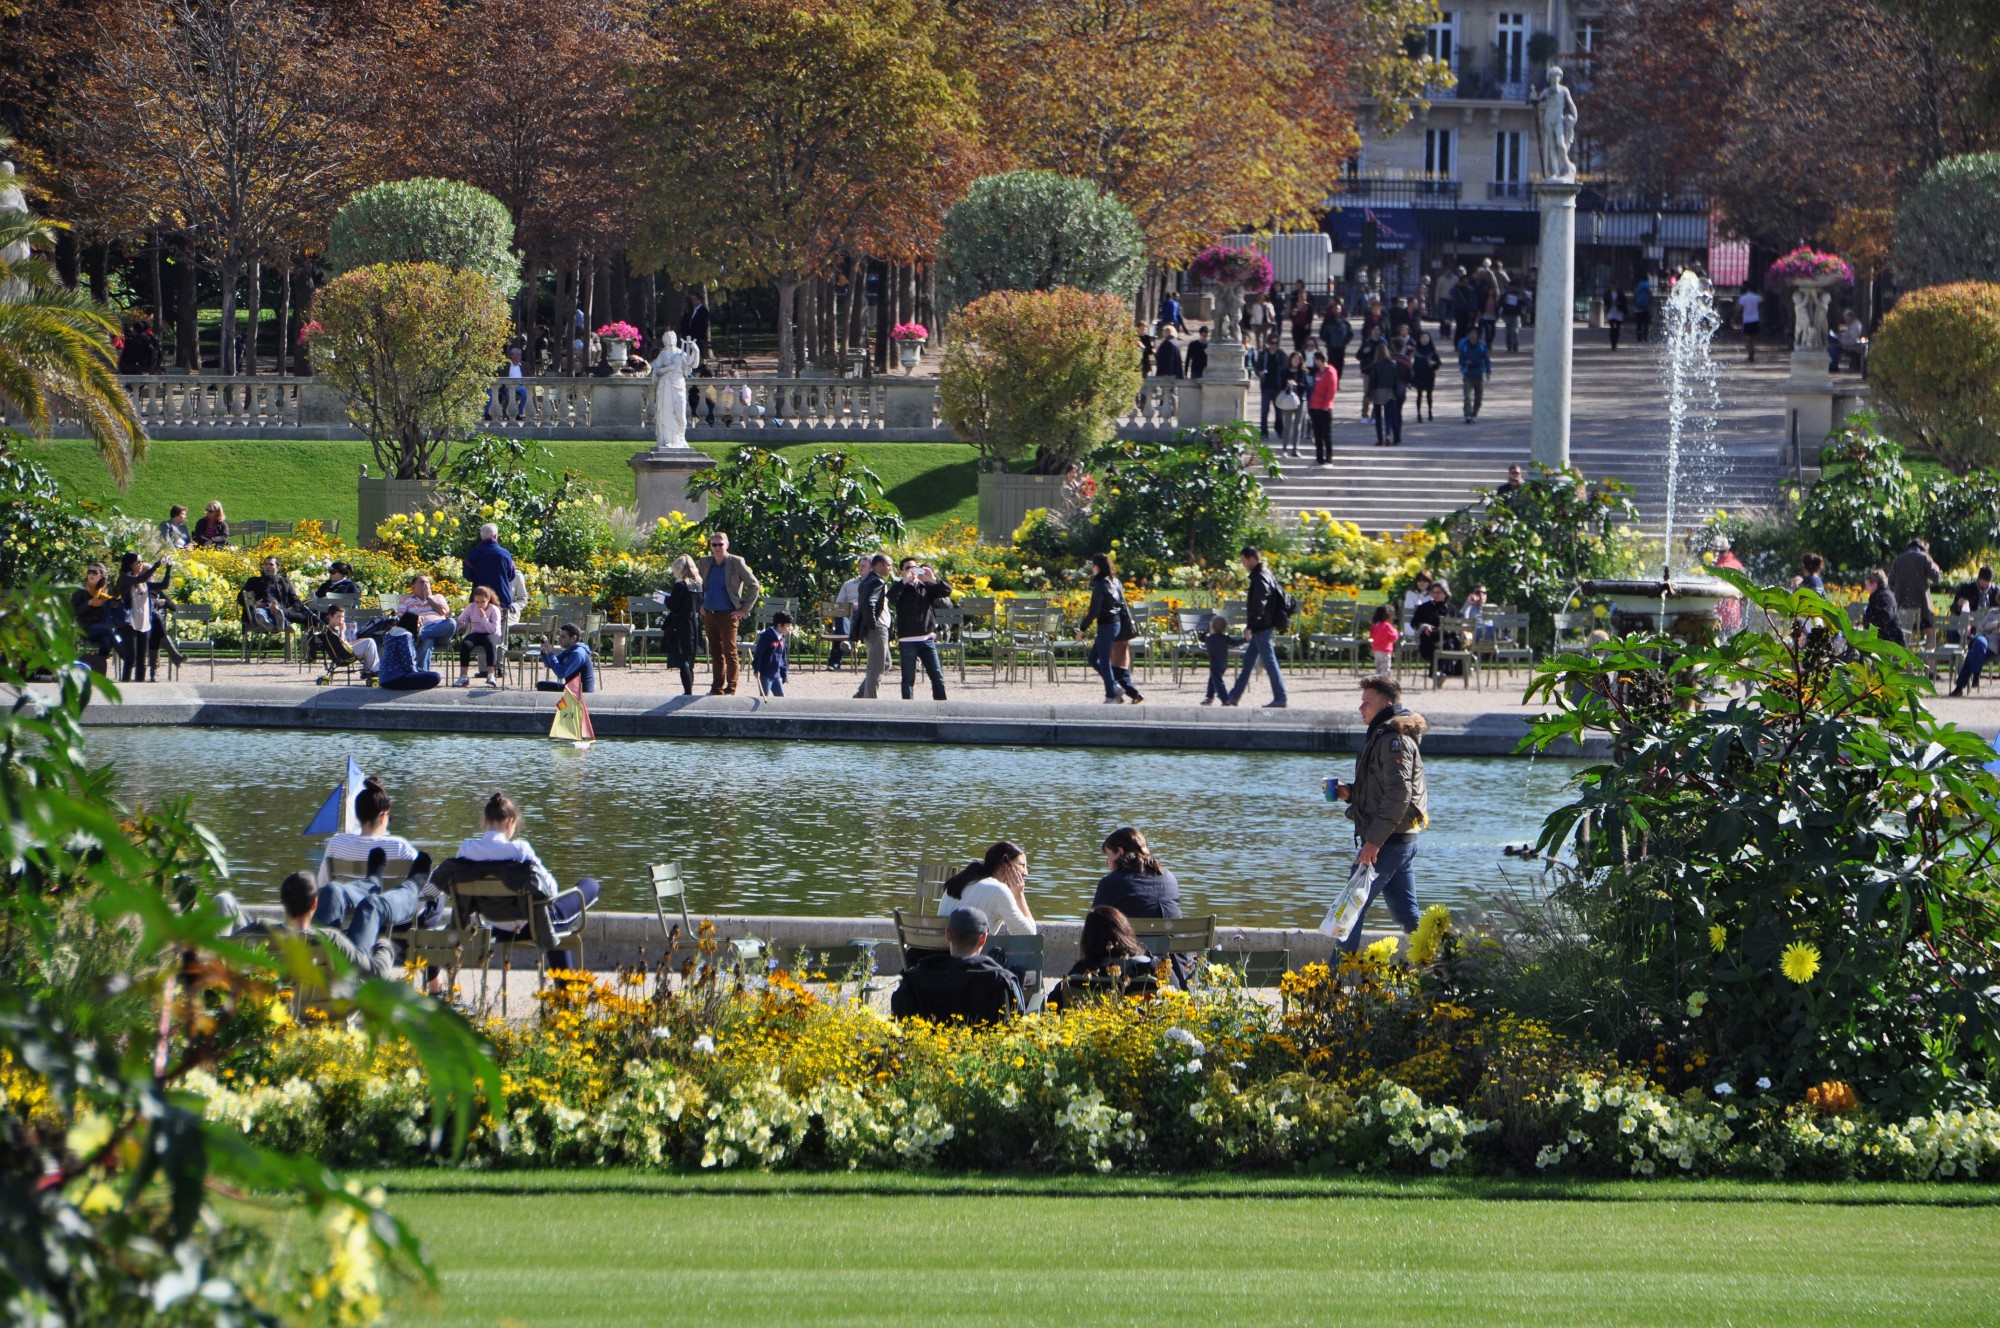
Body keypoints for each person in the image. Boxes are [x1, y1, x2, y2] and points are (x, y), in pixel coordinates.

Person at [439, 792, 600, 972]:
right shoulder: (519, 850)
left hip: (494, 924)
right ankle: (565, 991)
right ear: (510, 822)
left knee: (554, 920)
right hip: (530, 924)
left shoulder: (466, 849)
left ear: (485, 823)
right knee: (589, 885)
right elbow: (551, 890)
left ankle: (565, 990)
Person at [1329, 677, 1428, 952]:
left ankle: (1332, 985)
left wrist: (1372, 842)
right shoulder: (1383, 735)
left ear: (1385, 704)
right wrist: (1350, 792)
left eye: (1367, 703)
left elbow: (1399, 795)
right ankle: (1446, 967)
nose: (1361, 708)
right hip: (1398, 840)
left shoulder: (1393, 739)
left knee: (1349, 912)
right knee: (1408, 917)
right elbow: (1383, 789)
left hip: (1387, 842)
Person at [888, 905, 1023, 1025]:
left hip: (928, 1049)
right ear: (983, 939)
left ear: (948, 935)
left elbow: (898, 1009)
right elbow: (1019, 1012)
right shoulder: (1000, 979)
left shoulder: (916, 977)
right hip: (983, 1050)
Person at [268, 870, 399, 981]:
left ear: (283, 903)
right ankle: (382, 882)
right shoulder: (331, 939)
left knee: (335, 893)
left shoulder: (261, 931)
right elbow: (377, 973)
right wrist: (384, 945)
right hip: (332, 1002)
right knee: (371, 907)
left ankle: (374, 880)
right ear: (315, 904)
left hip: (284, 1002)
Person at [1047, 906, 1158, 1011]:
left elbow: (1054, 1002)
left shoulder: (1079, 975)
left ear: (1089, 940)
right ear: (1125, 933)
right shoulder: (1151, 969)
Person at [1222, 545, 1288, 709]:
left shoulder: (1260, 577)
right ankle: (1234, 696)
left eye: (1244, 560)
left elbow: (1259, 604)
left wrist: (1251, 625)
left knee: (1269, 661)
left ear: (1252, 559)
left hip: (1261, 626)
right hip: (1263, 624)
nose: (1243, 564)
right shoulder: (1264, 574)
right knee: (1249, 660)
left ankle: (1280, 697)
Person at [700, 531, 761, 696]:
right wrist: (700, 604)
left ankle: (731, 687)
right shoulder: (705, 562)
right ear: (710, 546)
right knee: (715, 652)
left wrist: (744, 609)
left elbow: (754, 585)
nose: (718, 548)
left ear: (727, 545)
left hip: (729, 614)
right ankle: (716, 687)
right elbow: (698, 585)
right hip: (710, 613)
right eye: (715, 545)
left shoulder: (736, 562)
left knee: (730, 651)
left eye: (721, 544)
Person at [1079, 553, 1143, 704]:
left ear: (1097, 567)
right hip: (1116, 624)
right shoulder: (1116, 582)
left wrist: (1082, 629)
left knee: (1104, 661)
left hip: (1106, 625)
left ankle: (1111, 694)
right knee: (1093, 658)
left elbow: (1094, 610)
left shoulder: (1100, 584)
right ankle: (1114, 686)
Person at [938, 841, 1037, 936]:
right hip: (971, 953)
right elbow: (1030, 935)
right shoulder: (998, 890)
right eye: (1022, 865)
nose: (1026, 873)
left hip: (939, 951)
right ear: (1004, 864)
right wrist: (1019, 895)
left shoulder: (957, 882)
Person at [888, 559, 952, 701]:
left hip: (926, 639)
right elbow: (891, 597)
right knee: (908, 678)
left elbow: (947, 591)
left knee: (937, 676)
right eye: (908, 568)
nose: (912, 570)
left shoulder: (926, 587)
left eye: (915, 568)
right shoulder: (900, 587)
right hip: (907, 640)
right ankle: (908, 708)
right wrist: (904, 581)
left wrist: (933, 578)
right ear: (901, 571)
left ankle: (940, 706)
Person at [114, 549, 180, 682]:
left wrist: (168, 567)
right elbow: (139, 578)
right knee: (131, 659)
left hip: (143, 622)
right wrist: (157, 564)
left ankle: (139, 686)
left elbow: (164, 585)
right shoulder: (124, 578)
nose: (141, 564)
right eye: (139, 562)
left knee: (141, 660)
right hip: (128, 623)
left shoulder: (144, 583)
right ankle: (125, 686)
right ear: (131, 564)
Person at [850, 553, 892, 699]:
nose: (890, 569)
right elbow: (869, 603)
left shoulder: (867, 580)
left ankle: (862, 693)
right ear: (879, 565)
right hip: (878, 628)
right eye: (888, 565)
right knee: (876, 667)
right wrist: (872, 625)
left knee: (885, 663)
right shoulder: (877, 581)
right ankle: (870, 701)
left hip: (877, 627)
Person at [662, 554, 704, 695]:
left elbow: (674, 605)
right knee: (690, 661)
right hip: (695, 623)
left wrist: (664, 599)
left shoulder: (681, 585)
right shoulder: (698, 585)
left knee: (683, 661)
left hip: (681, 624)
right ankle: (689, 690)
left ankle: (688, 692)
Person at [396, 574, 456, 671]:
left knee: (452, 623)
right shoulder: (406, 599)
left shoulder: (437, 597)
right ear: (413, 587)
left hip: (440, 633)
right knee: (428, 640)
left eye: (427, 582)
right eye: (421, 582)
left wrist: (429, 599)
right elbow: (401, 619)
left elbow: (444, 611)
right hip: (419, 629)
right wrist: (416, 621)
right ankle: (421, 673)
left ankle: (419, 636)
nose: (425, 584)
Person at [71, 563, 126, 669]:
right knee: (108, 631)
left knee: (106, 641)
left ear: (101, 576)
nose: (91, 575)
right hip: (85, 626)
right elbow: (72, 612)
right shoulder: (80, 591)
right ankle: (125, 656)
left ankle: (98, 667)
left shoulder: (106, 593)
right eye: (89, 572)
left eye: (95, 572)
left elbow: (112, 610)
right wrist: (89, 603)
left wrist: (113, 604)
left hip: (101, 626)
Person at [462, 524, 518, 623]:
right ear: (496, 536)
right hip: (501, 600)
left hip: (479, 601)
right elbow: (511, 576)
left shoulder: (474, 554)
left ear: (481, 537)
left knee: (477, 631)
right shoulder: (505, 554)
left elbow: (467, 575)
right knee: (499, 632)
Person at [243, 556, 309, 634]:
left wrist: (280, 609)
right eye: (266, 564)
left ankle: (273, 622)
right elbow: (240, 598)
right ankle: (276, 623)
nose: (267, 567)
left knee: (279, 613)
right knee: (259, 613)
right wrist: (253, 604)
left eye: (271, 564)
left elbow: (295, 601)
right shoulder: (253, 581)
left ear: (278, 567)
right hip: (259, 609)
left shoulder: (285, 583)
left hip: (278, 611)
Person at [375, 613, 440, 691]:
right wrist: (417, 674)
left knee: (423, 672)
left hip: (384, 678)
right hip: (396, 678)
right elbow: (407, 662)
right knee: (435, 676)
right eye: (418, 623)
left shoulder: (391, 633)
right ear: (411, 623)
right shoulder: (405, 636)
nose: (421, 625)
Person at [454, 585, 504, 687]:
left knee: (490, 643)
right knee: (466, 644)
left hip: (492, 634)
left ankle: (490, 674)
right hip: (476, 633)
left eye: (482, 602)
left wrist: (483, 618)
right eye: (477, 602)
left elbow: (493, 630)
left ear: (488, 600)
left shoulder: (494, 609)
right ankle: (463, 676)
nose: (479, 604)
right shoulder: (471, 607)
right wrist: (461, 621)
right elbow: (462, 618)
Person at [1889, 538, 1942, 633]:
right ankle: (1930, 647)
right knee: (1929, 629)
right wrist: (1936, 569)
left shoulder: (1898, 560)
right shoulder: (1924, 558)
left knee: (1907, 634)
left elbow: (1890, 582)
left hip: (1902, 604)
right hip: (1922, 605)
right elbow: (1937, 579)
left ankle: (1908, 646)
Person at [1409, 580, 1458, 682]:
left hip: (1446, 638)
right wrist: (1423, 626)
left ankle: (1439, 672)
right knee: (1435, 648)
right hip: (1429, 639)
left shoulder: (1452, 609)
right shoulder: (1424, 607)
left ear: (1445, 593)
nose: (1435, 595)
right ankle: (1439, 674)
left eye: (1439, 592)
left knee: (1449, 645)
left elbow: (1458, 625)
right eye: (1434, 592)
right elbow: (1414, 623)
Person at [828, 555, 869, 671]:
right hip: (848, 616)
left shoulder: (875, 584)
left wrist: (861, 606)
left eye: (864, 566)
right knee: (840, 615)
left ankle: (835, 661)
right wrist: (850, 606)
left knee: (839, 631)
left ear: (871, 568)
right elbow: (839, 603)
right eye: (860, 565)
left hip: (866, 616)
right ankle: (845, 640)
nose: (861, 568)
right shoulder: (849, 584)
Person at [315, 605, 376, 682]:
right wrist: (342, 631)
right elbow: (342, 645)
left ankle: (369, 670)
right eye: (338, 617)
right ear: (330, 616)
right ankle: (373, 671)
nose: (341, 619)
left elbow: (345, 643)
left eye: (343, 617)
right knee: (370, 642)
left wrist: (357, 641)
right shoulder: (330, 632)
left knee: (368, 641)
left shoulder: (333, 629)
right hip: (344, 656)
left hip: (346, 650)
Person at [1364, 338, 1406, 447]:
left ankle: (1380, 439)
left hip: (1378, 392)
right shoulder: (1393, 364)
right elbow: (1396, 379)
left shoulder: (1375, 365)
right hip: (1390, 392)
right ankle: (1388, 434)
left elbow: (1372, 382)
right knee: (1389, 416)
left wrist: (1368, 396)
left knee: (1378, 417)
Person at [536, 622, 597, 693]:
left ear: (573, 638)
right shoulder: (569, 651)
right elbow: (550, 664)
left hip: (581, 694)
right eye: (559, 636)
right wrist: (544, 652)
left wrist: (550, 653)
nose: (559, 639)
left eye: (563, 637)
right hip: (571, 689)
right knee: (541, 685)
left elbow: (561, 673)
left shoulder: (577, 653)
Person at [1200, 614, 1242, 706]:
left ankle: (1225, 699)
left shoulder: (1209, 639)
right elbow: (1235, 643)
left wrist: (1204, 631)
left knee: (1218, 683)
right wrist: (1244, 639)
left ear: (1212, 628)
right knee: (1213, 680)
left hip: (1214, 664)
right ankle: (1209, 697)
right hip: (1223, 663)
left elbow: (1202, 638)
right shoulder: (1225, 638)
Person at [1307, 352, 1338, 465]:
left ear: (1320, 360)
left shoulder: (1330, 372)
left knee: (1326, 434)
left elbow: (1332, 389)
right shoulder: (1318, 373)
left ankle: (1329, 456)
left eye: (1316, 360)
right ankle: (1319, 456)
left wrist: (1326, 403)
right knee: (1317, 434)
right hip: (1315, 406)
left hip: (1325, 407)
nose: (1315, 362)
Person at [1254, 334, 1288, 438]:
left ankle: (1279, 431)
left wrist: (1284, 385)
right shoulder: (1263, 354)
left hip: (1278, 387)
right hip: (1266, 386)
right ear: (1268, 343)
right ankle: (1264, 432)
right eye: (1272, 343)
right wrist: (1259, 373)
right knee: (1264, 411)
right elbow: (1257, 367)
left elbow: (1285, 370)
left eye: (1276, 343)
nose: (1274, 345)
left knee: (1279, 412)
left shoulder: (1281, 354)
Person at [1275, 350, 1308, 457]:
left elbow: (1306, 386)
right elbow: (1279, 386)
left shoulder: (1303, 372)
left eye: (1298, 359)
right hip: (1288, 401)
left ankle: (1295, 449)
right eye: (1295, 358)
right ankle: (1284, 449)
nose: (1296, 360)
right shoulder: (1284, 372)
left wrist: (1297, 385)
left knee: (1298, 426)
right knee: (1287, 425)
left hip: (1300, 400)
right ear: (1291, 359)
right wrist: (1287, 384)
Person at [752, 610, 792, 697]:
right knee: (764, 697)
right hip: (766, 675)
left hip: (777, 675)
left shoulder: (782, 638)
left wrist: (784, 673)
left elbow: (783, 657)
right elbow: (758, 654)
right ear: (779, 625)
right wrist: (757, 669)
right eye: (788, 626)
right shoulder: (766, 637)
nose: (789, 629)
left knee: (781, 697)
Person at [1457, 327, 1491, 423]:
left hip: (1479, 374)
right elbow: (1460, 360)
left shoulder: (1482, 346)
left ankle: (1474, 413)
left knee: (1478, 397)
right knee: (1467, 396)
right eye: (1471, 333)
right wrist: (1465, 364)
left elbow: (1487, 359)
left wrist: (1488, 371)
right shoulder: (1464, 346)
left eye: (1475, 333)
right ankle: (1467, 414)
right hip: (1468, 375)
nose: (1473, 335)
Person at [1862, 569, 1905, 646]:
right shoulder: (1880, 595)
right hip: (1885, 636)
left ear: (1874, 585)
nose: (1866, 588)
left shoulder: (1884, 597)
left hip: (1890, 640)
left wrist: (1869, 622)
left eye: (1867, 585)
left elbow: (1884, 618)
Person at [1321, 299, 1352, 381]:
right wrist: (1328, 341)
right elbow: (1322, 334)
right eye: (1335, 309)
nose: (1337, 311)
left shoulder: (1345, 322)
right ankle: (1332, 380)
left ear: (1341, 310)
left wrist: (1345, 342)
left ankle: (1337, 380)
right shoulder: (1327, 322)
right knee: (1331, 365)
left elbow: (1350, 333)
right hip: (1331, 348)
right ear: (1332, 310)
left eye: (1338, 309)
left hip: (1341, 348)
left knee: (1340, 365)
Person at [1369, 604, 1399, 677]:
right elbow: (1394, 637)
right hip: (1385, 651)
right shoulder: (1387, 626)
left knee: (1378, 668)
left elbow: (1371, 636)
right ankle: (1383, 684)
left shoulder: (1375, 625)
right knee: (1385, 670)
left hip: (1376, 650)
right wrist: (1395, 630)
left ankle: (1377, 682)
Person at [1736, 286, 1763, 362]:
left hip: (1746, 320)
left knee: (1745, 338)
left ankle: (1749, 351)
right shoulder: (1757, 297)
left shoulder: (1743, 298)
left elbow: (1740, 308)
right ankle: (1752, 351)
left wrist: (1735, 317)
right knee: (1752, 338)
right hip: (1755, 319)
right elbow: (1762, 301)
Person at [1631, 274, 1654, 344]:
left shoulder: (1638, 285)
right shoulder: (1648, 285)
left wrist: (1635, 302)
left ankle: (1639, 338)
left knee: (1639, 324)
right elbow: (1650, 295)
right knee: (1646, 324)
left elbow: (1634, 296)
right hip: (1646, 307)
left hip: (1638, 307)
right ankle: (1645, 337)